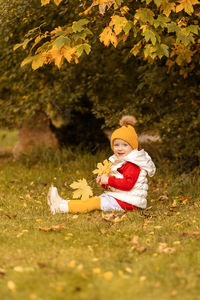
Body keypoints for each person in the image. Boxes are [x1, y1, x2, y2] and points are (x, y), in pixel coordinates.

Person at [47, 115, 156, 214]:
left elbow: (127, 184)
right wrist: (104, 183)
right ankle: (62, 203)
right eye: (116, 145)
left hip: (129, 203)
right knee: (91, 201)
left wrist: (108, 180)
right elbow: (116, 184)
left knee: (94, 203)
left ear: (133, 147)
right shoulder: (121, 162)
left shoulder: (133, 164)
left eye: (124, 145)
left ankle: (60, 208)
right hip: (121, 198)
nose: (120, 148)